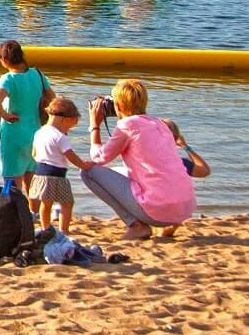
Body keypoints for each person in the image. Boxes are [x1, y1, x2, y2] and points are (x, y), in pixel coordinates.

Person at [82, 80, 197, 242]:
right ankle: (173, 223)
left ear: (119, 106)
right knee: (123, 171)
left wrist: (94, 126)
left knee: (88, 171)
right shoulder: (160, 124)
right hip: (185, 208)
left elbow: (98, 158)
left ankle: (136, 226)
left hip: (158, 211)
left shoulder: (127, 125)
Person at [0, 39, 52, 193]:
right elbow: (53, 99)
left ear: (4, 59)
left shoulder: (8, 78)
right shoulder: (37, 74)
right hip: (35, 132)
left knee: (12, 179)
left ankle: (14, 213)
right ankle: (33, 213)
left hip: (14, 133)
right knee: (31, 178)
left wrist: (5, 115)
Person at [29, 96, 90, 233]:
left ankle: (45, 228)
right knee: (67, 203)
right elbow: (70, 156)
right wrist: (83, 165)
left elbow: (33, 153)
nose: (69, 129)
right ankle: (64, 230)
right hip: (57, 175)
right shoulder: (60, 137)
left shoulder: (39, 132)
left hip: (40, 174)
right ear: (64, 119)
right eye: (71, 124)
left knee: (45, 203)